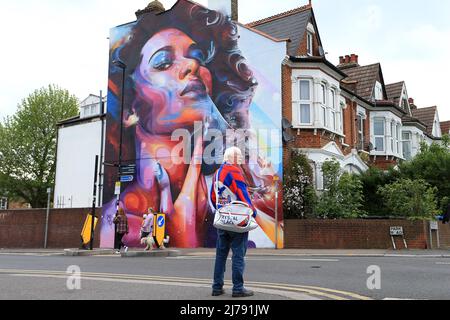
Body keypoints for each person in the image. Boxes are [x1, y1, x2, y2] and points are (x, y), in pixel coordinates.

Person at [100, 2, 283, 249]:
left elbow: (275, 236)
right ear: (130, 107)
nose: (192, 65)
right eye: (164, 62)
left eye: (197, 56)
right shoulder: (120, 218)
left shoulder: (225, 181)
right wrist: (183, 233)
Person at [210, 147, 256, 298]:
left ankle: (217, 287)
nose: (241, 159)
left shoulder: (217, 173)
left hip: (222, 219)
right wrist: (252, 211)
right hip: (236, 220)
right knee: (238, 255)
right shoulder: (234, 171)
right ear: (233, 157)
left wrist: (221, 209)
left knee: (221, 254)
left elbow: (213, 197)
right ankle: (238, 288)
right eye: (239, 156)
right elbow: (243, 193)